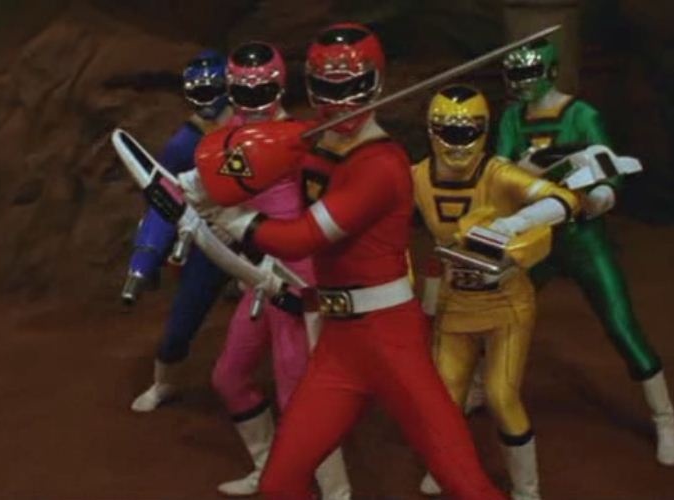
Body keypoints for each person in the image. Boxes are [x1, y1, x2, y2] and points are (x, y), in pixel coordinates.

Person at [190, 23, 504, 499]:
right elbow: (245, 165)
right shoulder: (311, 142)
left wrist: (230, 217)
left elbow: (302, 238)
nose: (339, 103)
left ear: (375, 83)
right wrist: (204, 180)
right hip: (339, 341)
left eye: (352, 87)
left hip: (390, 340)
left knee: (465, 483)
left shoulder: (381, 165)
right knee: (279, 483)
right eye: (327, 88)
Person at [496, 38, 674, 466]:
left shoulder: (582, 116)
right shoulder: (512, 118)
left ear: (550, 71)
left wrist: (600, 195)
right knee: (497, 312)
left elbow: (609, 170)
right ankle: (479, 385)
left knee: (619, 323)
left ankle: (664, 417)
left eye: (529, 73)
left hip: (581, 236)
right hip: (537, 236)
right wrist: (518, 173)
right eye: (516, 75)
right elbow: (499, 172)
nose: (522, 83)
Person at [413, 85, 578, 499]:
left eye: (469, 131)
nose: (459, 143)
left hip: (505, 301)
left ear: (484, 130)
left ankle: (527, 491)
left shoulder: (497, 173)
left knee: (502, 397)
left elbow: (564, 199)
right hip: (455, 301)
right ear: (432, 131)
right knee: (444, 398)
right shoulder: (415, 177)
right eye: (449, 132)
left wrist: (512, 225)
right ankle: (445, 466)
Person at [210, 41, 350, 498]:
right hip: (256, 275)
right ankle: (268, 465)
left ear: (279, 87)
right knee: (229, 376)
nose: (252, 103)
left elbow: (329, 206)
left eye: (261, 92)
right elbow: (215, 186)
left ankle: (336, 493)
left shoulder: (301, 138)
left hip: (295, 277)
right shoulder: (228, 133)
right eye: (242, 93)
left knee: (300, 395)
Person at [127, 50, 234, 412]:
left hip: (259, 231)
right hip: (210, 236)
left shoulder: (253, 128)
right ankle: (163, 382)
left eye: (212, 90)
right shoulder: (182, 145)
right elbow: (163, 200)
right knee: (183, 318)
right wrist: (147, 256)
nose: (206, 100)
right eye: (198, 92)